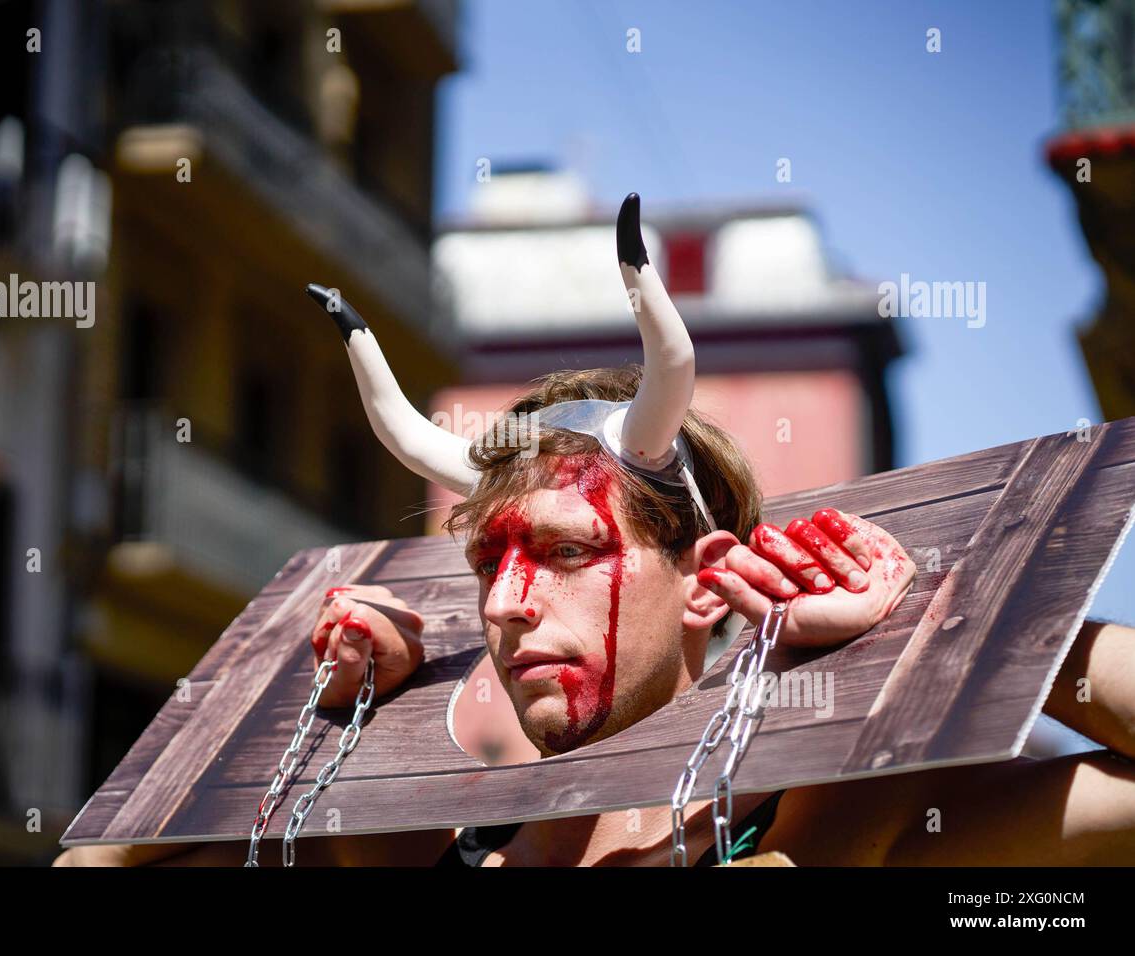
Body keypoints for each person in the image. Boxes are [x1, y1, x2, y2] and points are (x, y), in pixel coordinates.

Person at [55, 195, 1135, 867]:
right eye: (487, 560)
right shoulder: (418, 847)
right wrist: (338, 706)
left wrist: (953, 629)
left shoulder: (871, 824)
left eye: (568, 550)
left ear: (709, 581)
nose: (507, 601)